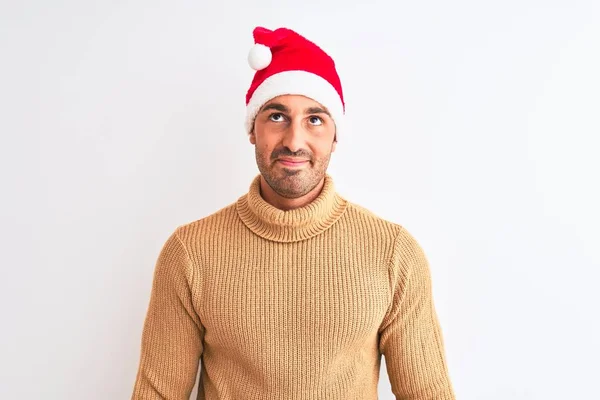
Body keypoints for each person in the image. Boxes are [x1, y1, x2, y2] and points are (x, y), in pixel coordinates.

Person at [131, 26, 456, 400]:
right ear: (252, 128)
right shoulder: (190, 252)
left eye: (315, 119)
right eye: (276, 116)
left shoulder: (394, 253)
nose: (294, 141)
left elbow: (427, 393)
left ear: (336, 135)